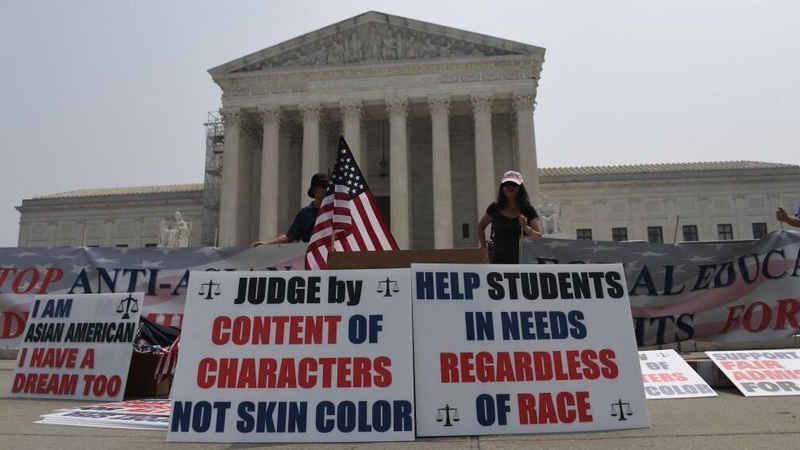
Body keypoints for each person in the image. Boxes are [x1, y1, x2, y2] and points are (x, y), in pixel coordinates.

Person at [478, 170, 542, 263]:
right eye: (506, 184)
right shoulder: (495, 208)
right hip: (498, 261)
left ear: (520, 188)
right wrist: (484, 249)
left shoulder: (527, 209)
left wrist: (525, 227)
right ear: (502, 187)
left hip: (522, 261)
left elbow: (539, 236)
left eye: (514, 184)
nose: (510, 187)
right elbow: (481, 226)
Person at [253, 173, 329, 245]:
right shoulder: (304, 213)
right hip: (309, 254)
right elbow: (290, 236)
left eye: (328, 187)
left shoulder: (332, 212)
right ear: (314, 189)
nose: (327, 190)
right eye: (324, 187)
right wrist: (267, 244)